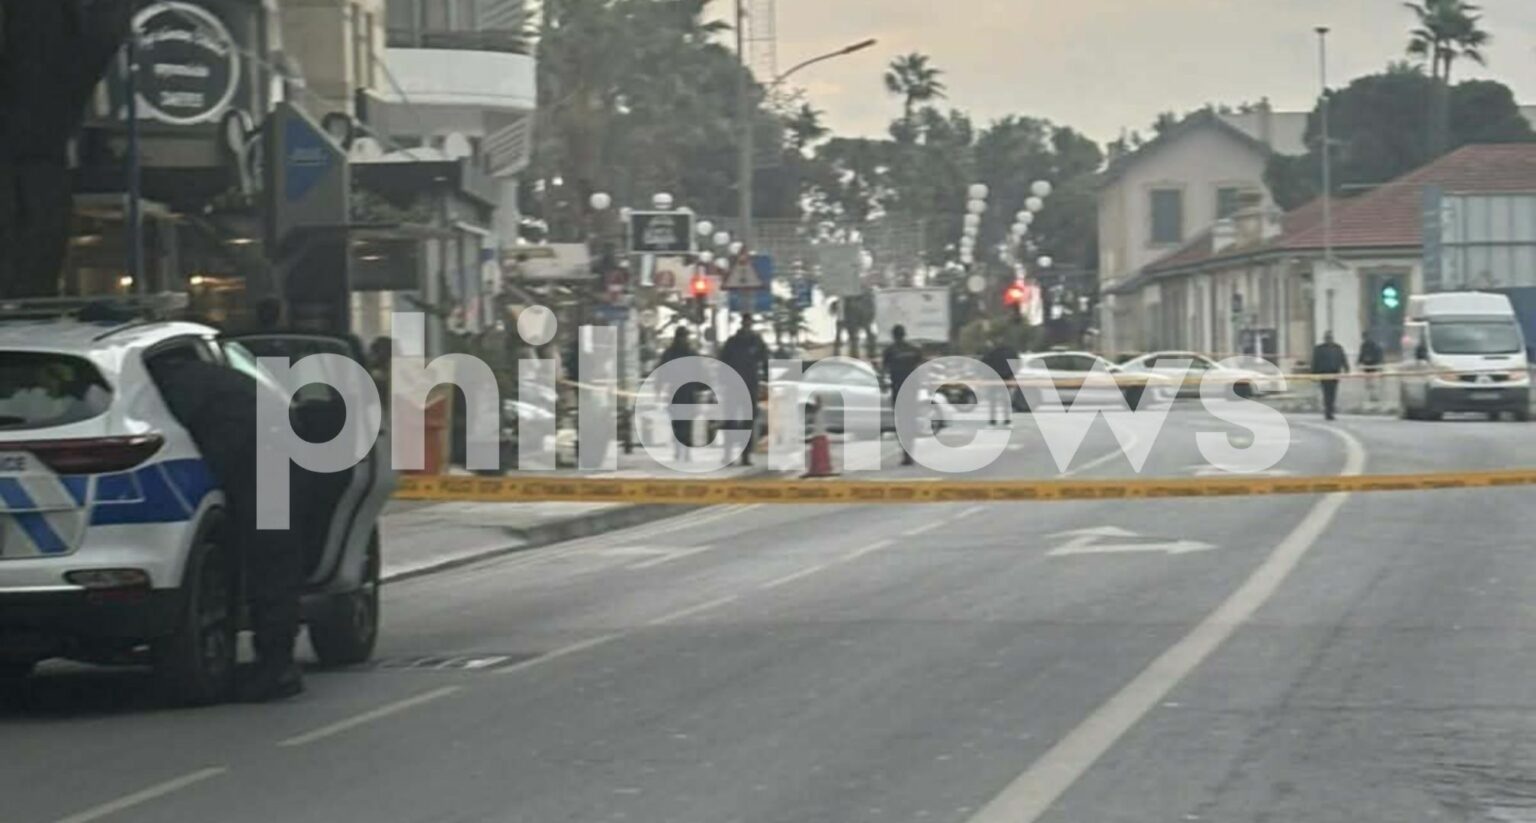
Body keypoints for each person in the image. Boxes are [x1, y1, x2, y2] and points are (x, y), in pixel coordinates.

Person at [148, 358, 306, 701]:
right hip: (271, 453)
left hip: (262, 460)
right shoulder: (207, 375)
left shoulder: (169, 390)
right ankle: (276, 663)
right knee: (274, 563)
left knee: (271, 563)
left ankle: (276, 667)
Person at [719, 314, 770, 466]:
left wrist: (766, 377)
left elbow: (765, 360)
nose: (747, 326)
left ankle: (744, 455)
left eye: (749, 323)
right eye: (746, 323)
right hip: (736, 385)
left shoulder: (756, 341)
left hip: (748, 384)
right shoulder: (733, 342)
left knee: (747, 420)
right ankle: (729, 454)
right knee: (731, 420)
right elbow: (722, 362)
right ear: (743, 324)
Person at [657, 327, 701, 462]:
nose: (684, 339)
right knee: (677, 422)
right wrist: (659, 387)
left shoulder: (690, 353)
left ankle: (686, 450)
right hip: (676, 390)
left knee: (687, 422)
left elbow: (699, 372)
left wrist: (700, 388)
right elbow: (662, 371)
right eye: (683, 336)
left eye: (685, 336)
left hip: (687, 390)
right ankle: (679, 448)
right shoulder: (671, 353)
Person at [882, 324, 924, 466]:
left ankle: (905, 452)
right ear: (904, 334)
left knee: (901, 422)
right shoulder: (914, 349)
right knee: (910, 420)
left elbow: (884, 370)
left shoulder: (889, 351)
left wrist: (883, 384)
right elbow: (922, 366)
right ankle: (909, 451)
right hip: (911, 389)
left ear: (893, 336)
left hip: (898, 389)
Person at [1311, 331, 1350, 421]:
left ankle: (1330, 411)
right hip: (1324, 374)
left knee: (1333, 393)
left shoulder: (1337, 348)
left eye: (1330, 337)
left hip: (1335, 373)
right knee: (1326, 393)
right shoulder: (1319, 349)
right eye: (1327, 337)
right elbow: (1315, 362)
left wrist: (1346, 369)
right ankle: (1328, 412)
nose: (1329, 339)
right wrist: (1313, 374)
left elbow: (1343, 359)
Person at [980, 335, 1017, 427]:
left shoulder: (991, 352)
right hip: (1006, 378)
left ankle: (993, 420)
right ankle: (1006, 419)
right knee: (1006, 400)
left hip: (994, 378)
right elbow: (1017, 363)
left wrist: (986, 376)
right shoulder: (1010, 351)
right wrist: (1012, 374)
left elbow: (983, 364)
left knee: (994, 401)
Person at [1359, 331, 1385, 408]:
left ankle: (1373, 396)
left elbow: (1363, 354)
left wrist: (1361, 361)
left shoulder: (1369, 345)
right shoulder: (1366, 345)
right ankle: (1372, 396)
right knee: (1369, 382)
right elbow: (1362, 354)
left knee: (1371, 382)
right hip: (1369, 366)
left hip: (1371, 366)